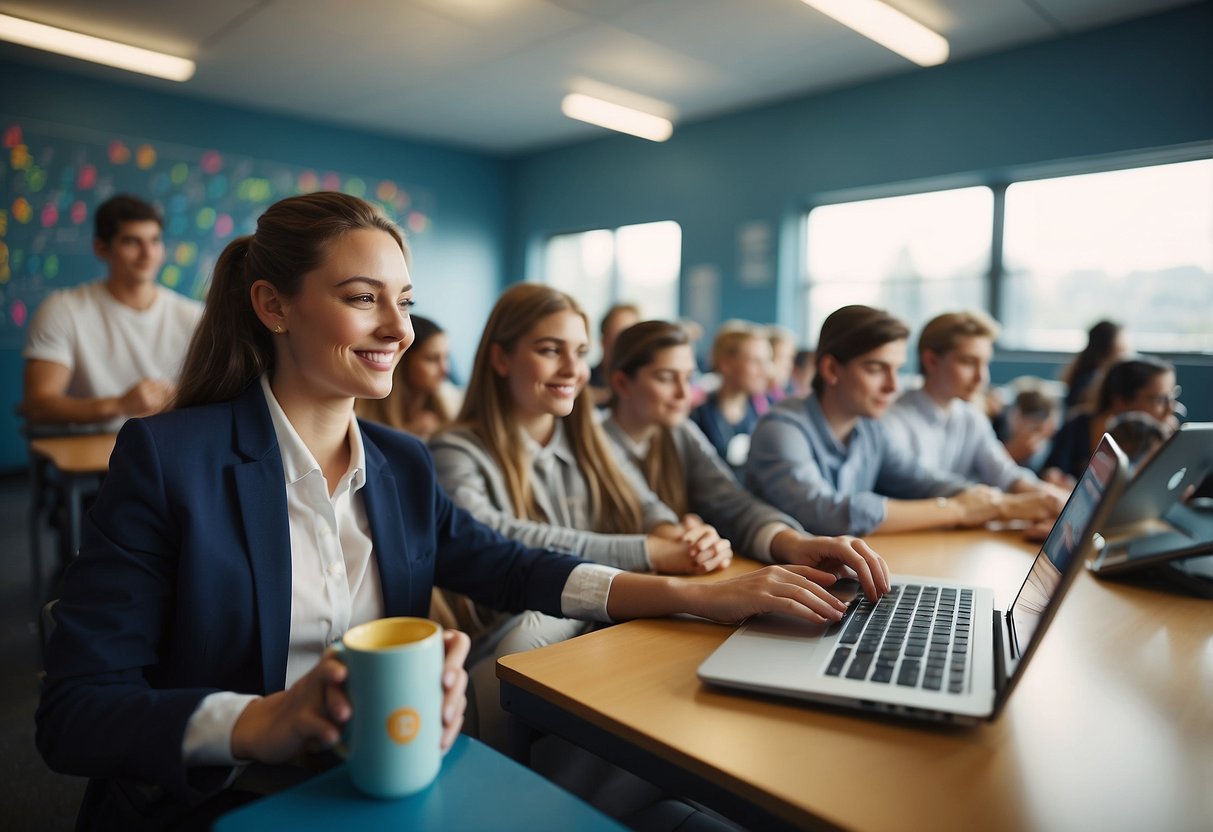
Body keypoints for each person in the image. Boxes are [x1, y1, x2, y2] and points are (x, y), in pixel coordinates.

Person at [36, 193, 886, 831]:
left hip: (384, 781)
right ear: (272, 305)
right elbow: (73, 715)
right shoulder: (169, 456)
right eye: (363, 297)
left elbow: (514, 566)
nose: (396, 328)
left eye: (403, 301)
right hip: (223, 799)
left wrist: (701, 597)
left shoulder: (401, 462)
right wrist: (264, 720)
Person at [746, 305, 1057, 537]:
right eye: (876, 369)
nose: (893, 387)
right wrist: (964, 509)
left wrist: (1004, 503)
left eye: (896, 369)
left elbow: (925, 482)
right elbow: (825, 514)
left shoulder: (869, 429)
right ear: (830, 370)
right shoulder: (781, 427)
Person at [604, 320, 888, 573]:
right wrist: (679, 536)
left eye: (688, 377)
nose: (684, 393)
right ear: (621, 382)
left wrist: (793, 543)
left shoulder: (680, 432)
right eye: (666, 378)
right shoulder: (596, 440)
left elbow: (731, 501)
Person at [23, 194, 203, 431]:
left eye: (155, 240)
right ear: (101, 248)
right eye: (132, 241)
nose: (147, 254)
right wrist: (119, 405)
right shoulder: (63, 310)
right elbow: (38, 405)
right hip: (92, 457)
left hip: (174, 450)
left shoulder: (194, 315)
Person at [883, 311, 1066, 505]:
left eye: (985, 363)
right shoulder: (893, 420)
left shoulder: (970, 416)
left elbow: (1005, 474)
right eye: (969, 362)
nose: (982, 377)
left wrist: (1054, 498)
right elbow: (923, 487)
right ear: (931, 361)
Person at [1044, 356, 1179, 480]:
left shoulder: (1164, 436)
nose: (1170, 409)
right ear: (1122, 401)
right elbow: (1050, 472)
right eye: (1159, 400)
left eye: (1172, 397)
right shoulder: (1077, 427)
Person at [355, 313, 459, 440]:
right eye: (431, 359)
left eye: (446, 357)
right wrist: (407, 434)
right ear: (402, 360)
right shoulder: (360, 415)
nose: (445, 369)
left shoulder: (451, 402)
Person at [690, 324, 770, 476]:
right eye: (755, 361)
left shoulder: (766, 411)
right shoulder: (698, 416)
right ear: (726, 364)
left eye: (766, 361)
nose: (765, 371)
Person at [1060, 320, 1129, 413]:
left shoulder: (1084, 372)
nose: (1127, 349)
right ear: (1110, 346)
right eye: (1123, 343)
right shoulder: (1091, 381)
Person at [587, 302, 641, 405]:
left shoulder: (640, 381)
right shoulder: (583, 379)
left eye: (633, 337)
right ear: (603, 341)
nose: (627, 344)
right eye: (618, 336)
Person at [765, 325, 797, 404]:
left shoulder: (789, 390)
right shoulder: (753, 395)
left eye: (790, 358)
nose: (788, 365)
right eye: (781, 357)